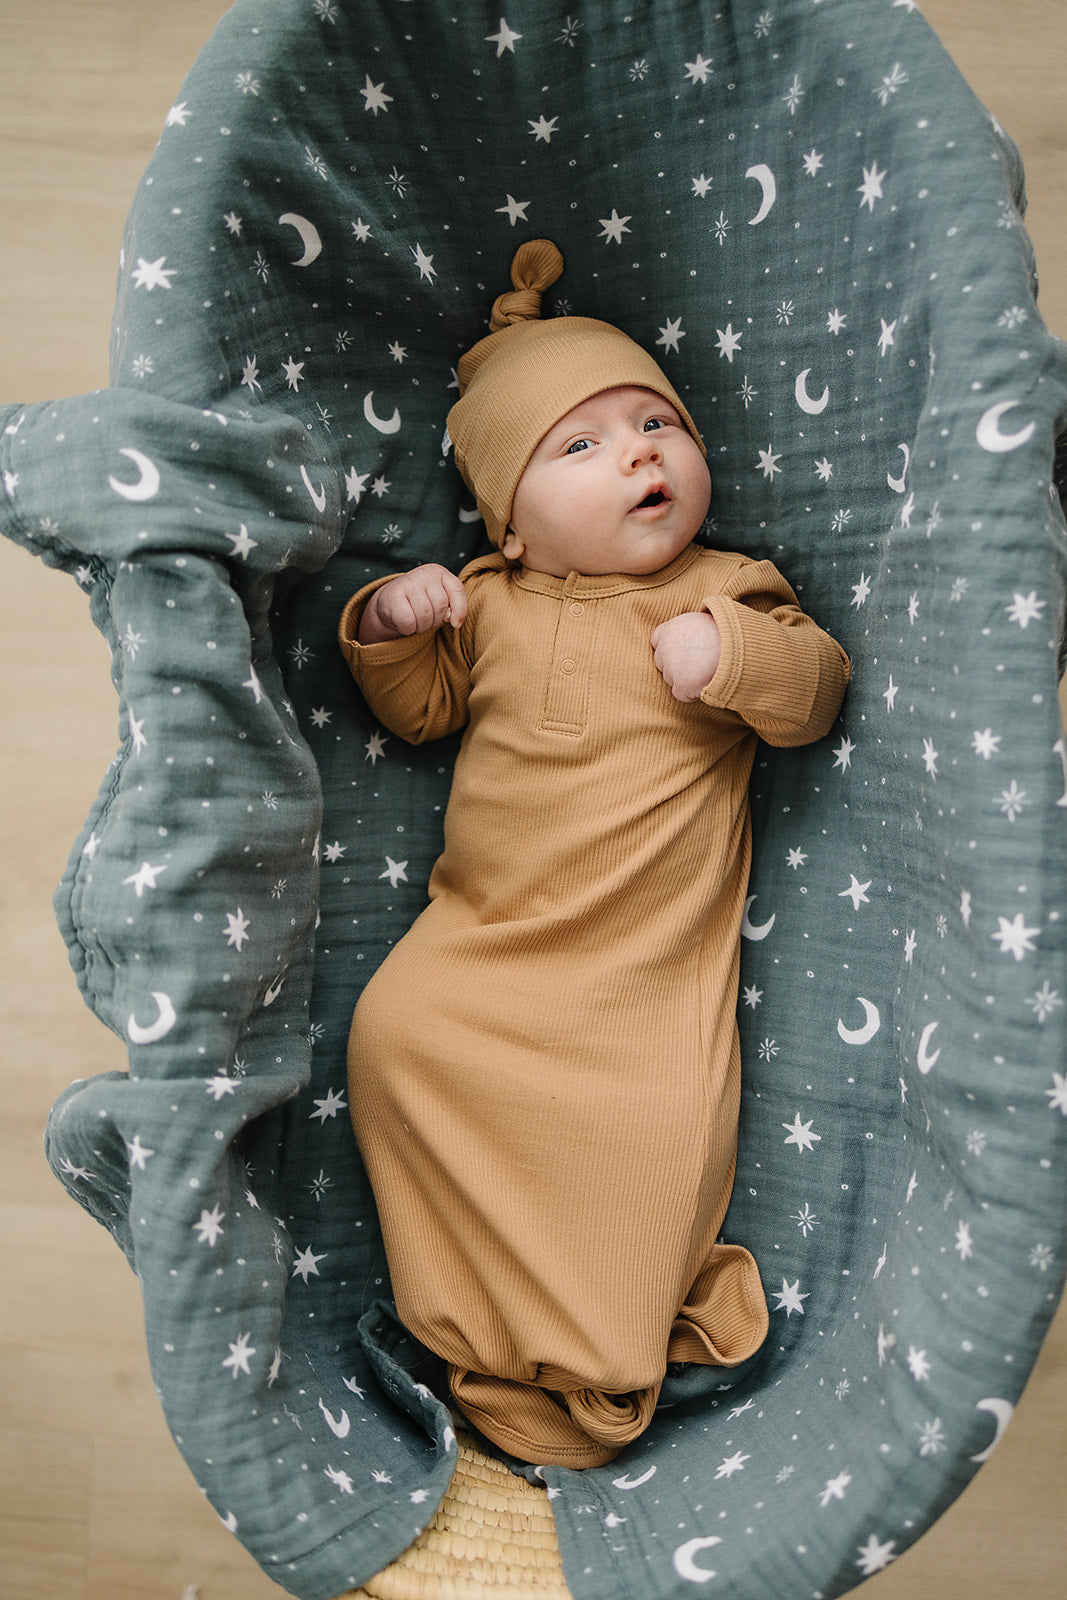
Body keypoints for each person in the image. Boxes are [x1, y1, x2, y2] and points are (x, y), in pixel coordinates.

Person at [338, 240, 851, 1468]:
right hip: (485, 949)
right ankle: (468, 1316)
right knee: (393, 1035)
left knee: (649, 1129)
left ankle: (596, 1338)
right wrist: (388, 623)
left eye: (655, 423)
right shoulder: (488, 601)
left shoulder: (730, 587)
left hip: (635, 981)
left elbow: (816, 692)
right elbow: (414, 714)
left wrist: (734, 656)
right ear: (508, 528)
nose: (637, 453)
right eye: (579, 446)